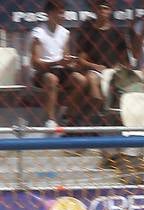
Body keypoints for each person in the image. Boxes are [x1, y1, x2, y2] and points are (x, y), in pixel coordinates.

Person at [70, 0, 133, 125]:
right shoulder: (88, 32)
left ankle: (92, 118)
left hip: (113, 72)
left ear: (110, 11)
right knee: (92, 78)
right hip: (94, 70)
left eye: (106, 9)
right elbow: (81, 60)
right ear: (95, 11)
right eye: (100, 9)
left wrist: (119, 69)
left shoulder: (117, 33)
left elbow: (126, 60)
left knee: (134, 81)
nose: (103, 12)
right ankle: (94, 117)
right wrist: (96, 66)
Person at [29, 0, 84, 129]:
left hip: (61, 70)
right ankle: (51, 120)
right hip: (43, 72)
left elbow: (65, 56)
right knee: (52, 79)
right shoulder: (38, 33)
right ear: (49, 13)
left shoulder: (64, 32)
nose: (62, 16)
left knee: (80, 79)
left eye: (63, 13)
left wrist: (70, 62)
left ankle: (67, 115)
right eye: (59, 13)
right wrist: (56, 62)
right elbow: (35, 63)